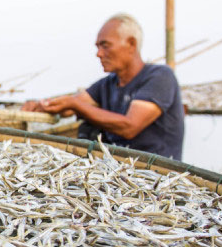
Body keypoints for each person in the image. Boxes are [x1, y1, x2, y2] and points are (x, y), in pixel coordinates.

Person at [22, 13, 184, 159]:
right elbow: (68, 107)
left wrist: (75, 104)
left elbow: (130, 126)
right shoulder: (107, 84)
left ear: (131, 44)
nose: (99, 54)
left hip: (154, 174)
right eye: (98, 47)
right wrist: (42, 106)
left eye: (105, 46)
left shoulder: (160, 77)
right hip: (115, 169)